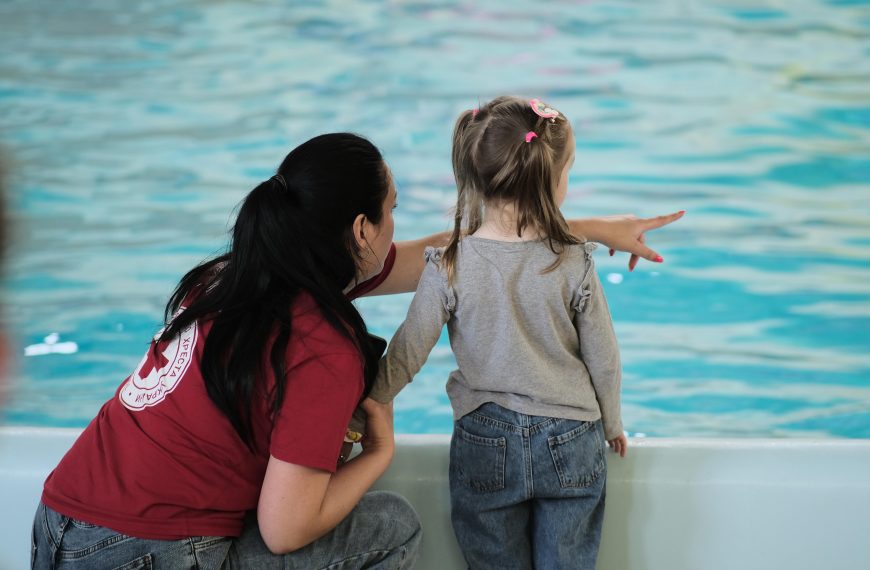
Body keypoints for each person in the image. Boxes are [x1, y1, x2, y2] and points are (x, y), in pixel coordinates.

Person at [30, 130, 680, 569]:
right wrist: (379, 454)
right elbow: (286, 531)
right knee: (389, 524)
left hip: (58, 523)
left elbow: (449, 257)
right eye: (392, 211)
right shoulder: (322, 348)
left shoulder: (237, 274)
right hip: (148, 553)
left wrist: (587, 228)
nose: (398, 228)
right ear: (362, 229)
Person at [356, 97, 652, 569]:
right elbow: (604, 357)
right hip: (571, 436)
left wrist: (372, 399)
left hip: (484, 439)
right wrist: (612, 423)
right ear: (551, 180)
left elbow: (410, 347)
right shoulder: (573, 260)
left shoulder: (449, 263)